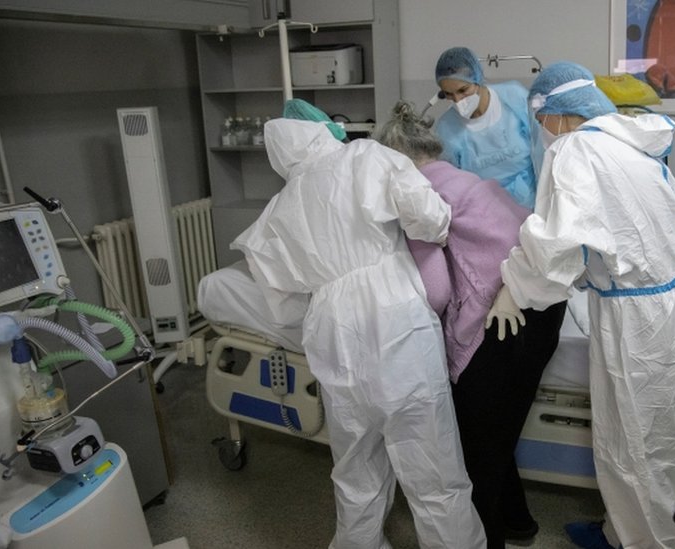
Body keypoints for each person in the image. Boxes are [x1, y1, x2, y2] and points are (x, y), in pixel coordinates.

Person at [231, 102, 486, 549]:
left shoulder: (274, 213)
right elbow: (430, 218)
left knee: (355, 465)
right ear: (328, 129)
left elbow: (285, 310)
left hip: (331, 332)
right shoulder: (365, 158)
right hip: (394, 321)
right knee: (433, 469)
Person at [489, 61, 675, 549]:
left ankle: (650, 545)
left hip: (639, 322)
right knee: (657, 440)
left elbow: (554, 246)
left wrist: (515, 285)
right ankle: (624, 530)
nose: (541, 132)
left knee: (634, 448)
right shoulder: (629, 142)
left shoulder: (576, 149)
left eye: (541, 120)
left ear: (560, 114)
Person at [374, 101, 567, 548]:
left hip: (500, 322)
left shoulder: (418, 196)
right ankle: (518, 522)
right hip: (543, 308)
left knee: (476, 450)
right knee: (499, 431)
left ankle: (490, 540)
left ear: (392, 162)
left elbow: (437, 290)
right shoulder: (471, 181)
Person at [433, 46, 540, 210]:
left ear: (478, 79)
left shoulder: (513, 97)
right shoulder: (447, 128)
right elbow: (451, 183)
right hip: (485, 216)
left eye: (463, 90)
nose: (457, 100)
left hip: (533, 203)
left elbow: (542, 148)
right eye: (448, 94)